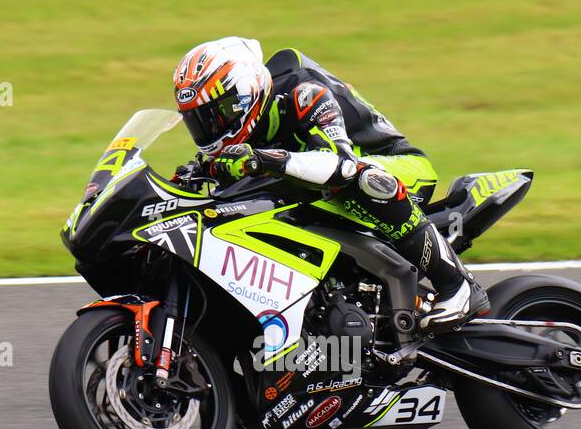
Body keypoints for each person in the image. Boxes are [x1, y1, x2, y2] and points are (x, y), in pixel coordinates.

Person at [172, 36, 489, 330]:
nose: (210, 129)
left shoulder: (303, 92)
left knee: (362, 179)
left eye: (216, 115)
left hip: (396, 169)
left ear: (246, 94)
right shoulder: (237, 135)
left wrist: (266, 160)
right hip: (319, 181)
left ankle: (457, 285)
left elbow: (341, 164)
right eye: (198, 121)